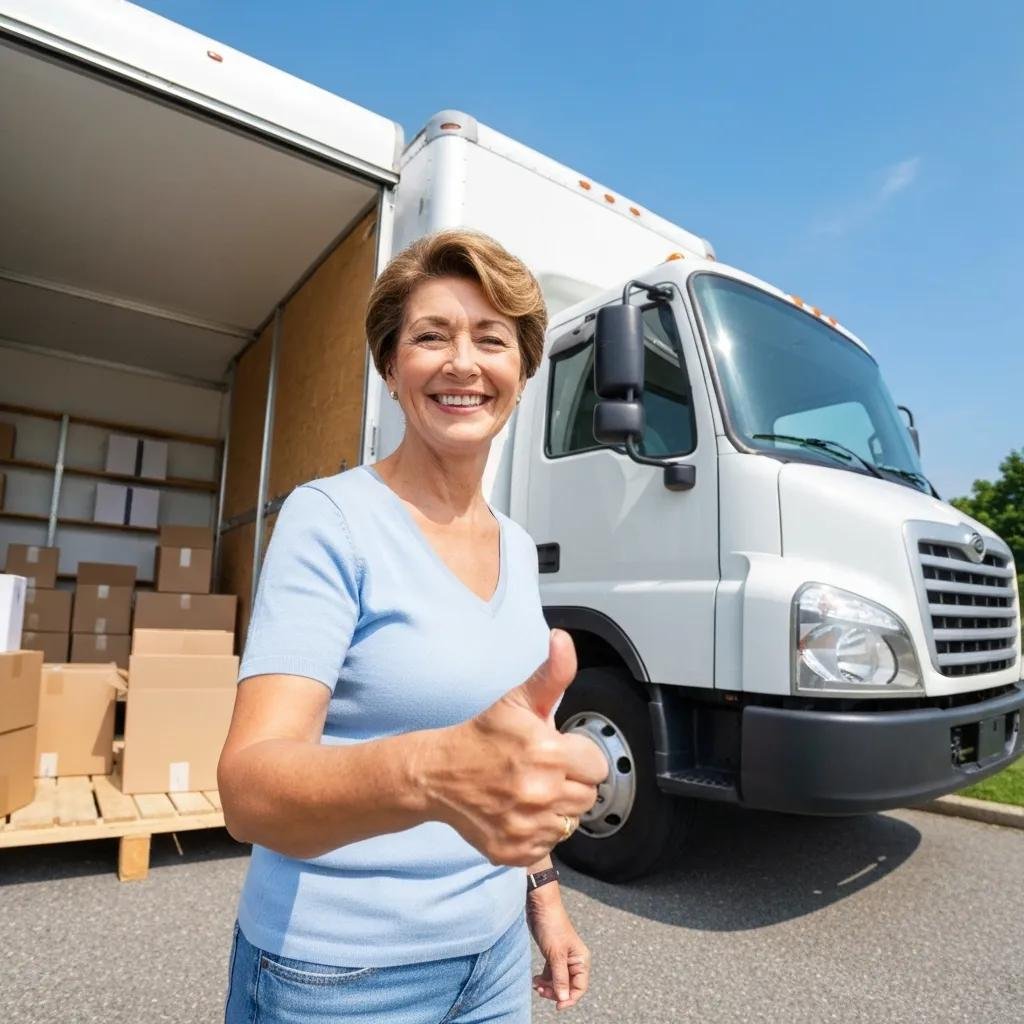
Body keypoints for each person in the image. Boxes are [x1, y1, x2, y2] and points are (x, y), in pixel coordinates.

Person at [218, 229, 608, 1023]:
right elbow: (248, 792)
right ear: (392, 368)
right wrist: (431, 771)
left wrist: (543, 899)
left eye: (491, 339)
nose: (463, 363)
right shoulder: (331, 519)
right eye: (432, 336)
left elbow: (508, 756)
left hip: (494, 960)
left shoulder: (519, 547)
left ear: (522, 371)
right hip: (339, 976)